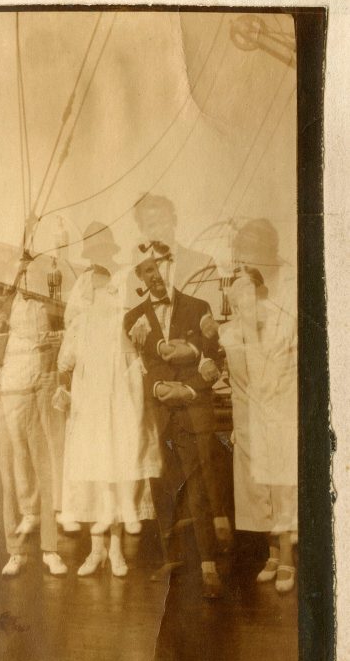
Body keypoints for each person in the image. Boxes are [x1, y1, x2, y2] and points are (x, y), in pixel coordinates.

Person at [124, 246, 230, 598]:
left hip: (191, 411)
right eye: (144, 271)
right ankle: (172, 559)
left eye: (155, 268)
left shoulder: (199, 308)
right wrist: (155, 387)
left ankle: (209, 567)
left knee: (198, 487)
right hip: (157, 415)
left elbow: (216, 358)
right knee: (161, 488)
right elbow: (133, 369)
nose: (152, 276)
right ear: (140, 277)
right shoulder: (133, 318)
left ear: (167, 268)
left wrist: (187, 388)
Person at [55, 265, 161, 577]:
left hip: (116, 412)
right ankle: (96, 549)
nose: (102, 295)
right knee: (92, 479)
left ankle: (114, 550)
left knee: (114, 475)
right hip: (88, 413)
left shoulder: (121, 322)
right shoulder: (79, 326)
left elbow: (135, 364)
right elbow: (64, 362)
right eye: (96, 289)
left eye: (107, 289)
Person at [0, 253, 68, 577]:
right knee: (10, 480)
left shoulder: (51, 308)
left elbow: (63, 352)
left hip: (37, 399)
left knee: (44, 471)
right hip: (5, 402)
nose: (24, 278)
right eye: (19, 272)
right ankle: (15, 551)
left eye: (29, 272)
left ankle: (50, 551)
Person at [218, 259, 298, 594]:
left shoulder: (282, 331)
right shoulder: (232, 335)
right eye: (238, 300)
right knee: (259, 492)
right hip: (249, 422)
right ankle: (272, 554)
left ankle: (288, 561)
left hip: (278, 420)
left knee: (280, 488)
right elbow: (236, 381)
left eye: (250, 297)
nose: (245, 305)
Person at [126, 194, 215, 309]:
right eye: (152, 225)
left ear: (174, 220)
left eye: (163, 222)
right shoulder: (135, 276)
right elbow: (132, 320)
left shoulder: (204, 263)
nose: (160, 230)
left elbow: (212, 312)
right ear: (142, 229)